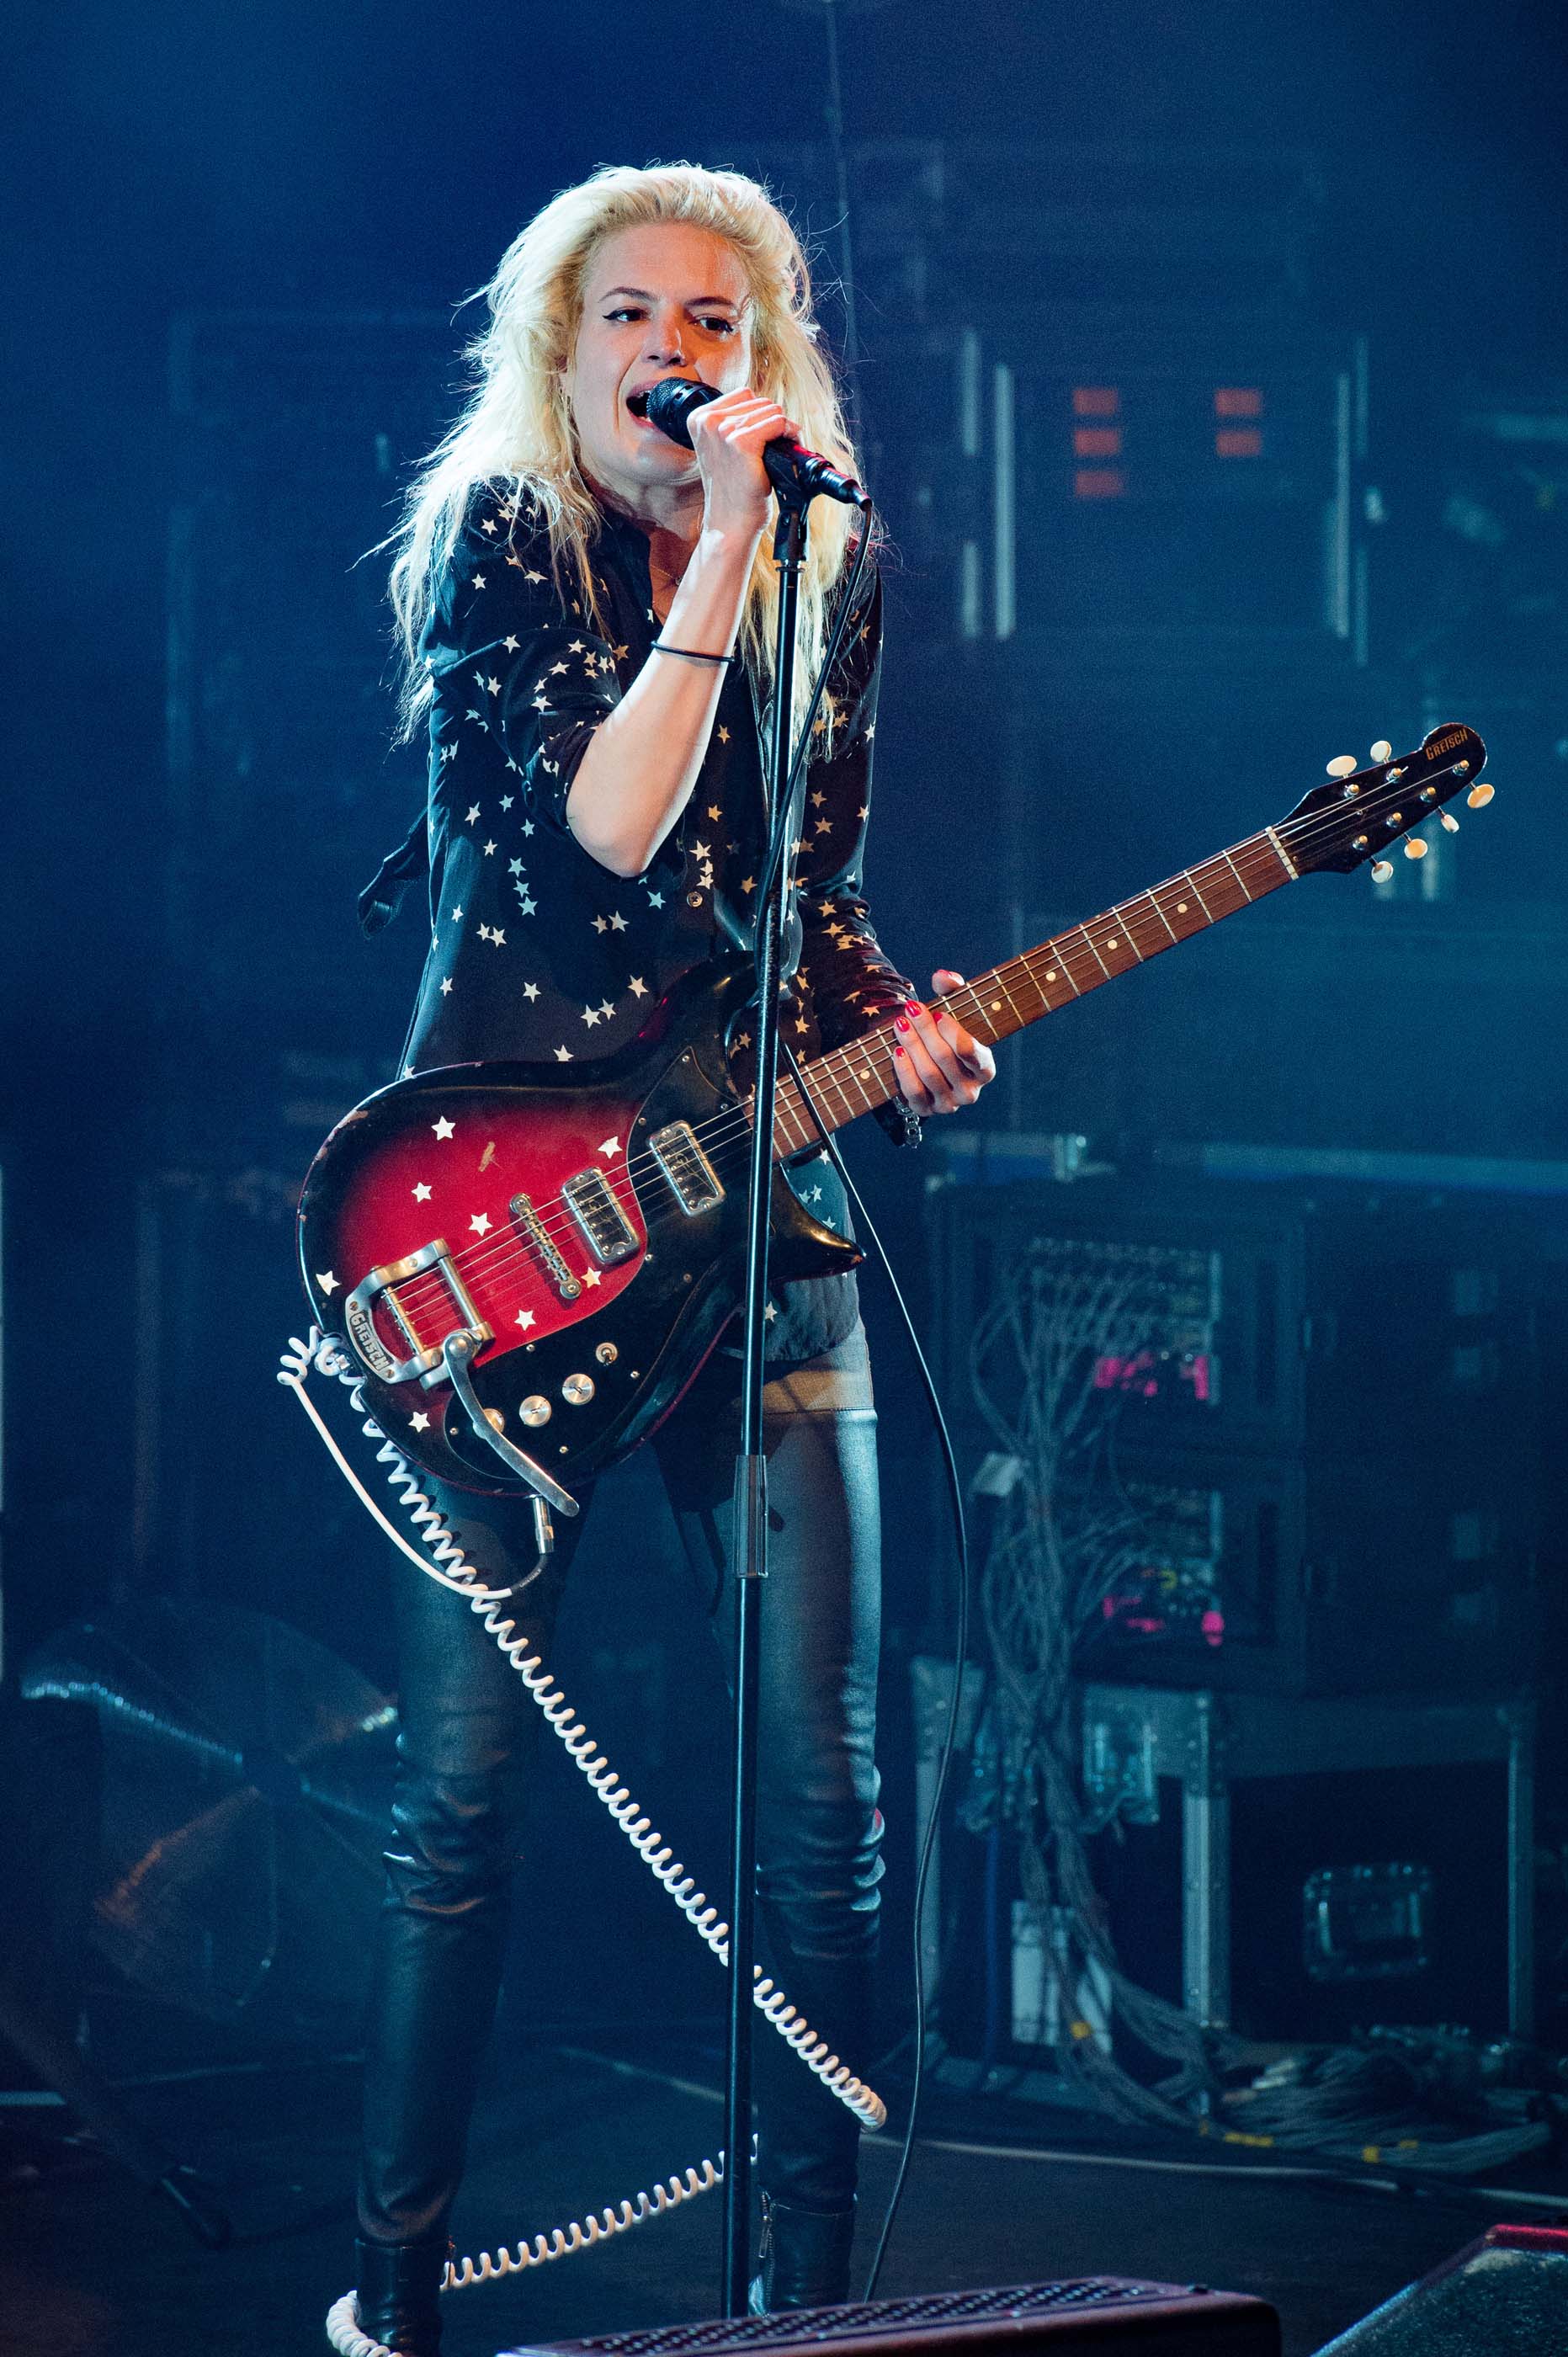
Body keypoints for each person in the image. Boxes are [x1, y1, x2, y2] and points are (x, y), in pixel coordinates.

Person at [349, 162, 995, 2356]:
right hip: (504, 1228)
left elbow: (805, 882)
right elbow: (611, 827)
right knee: (459, 1805)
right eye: (629, 314)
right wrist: (723, 550)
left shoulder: (837, 571)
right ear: (564, 353)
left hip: (755, 1227)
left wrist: (901, 1028)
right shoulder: (505, 547)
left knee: (830, 1799)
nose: (674, 352)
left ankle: (803, 2313)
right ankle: (397, 2305)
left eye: (716, 321)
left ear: (767, 355)